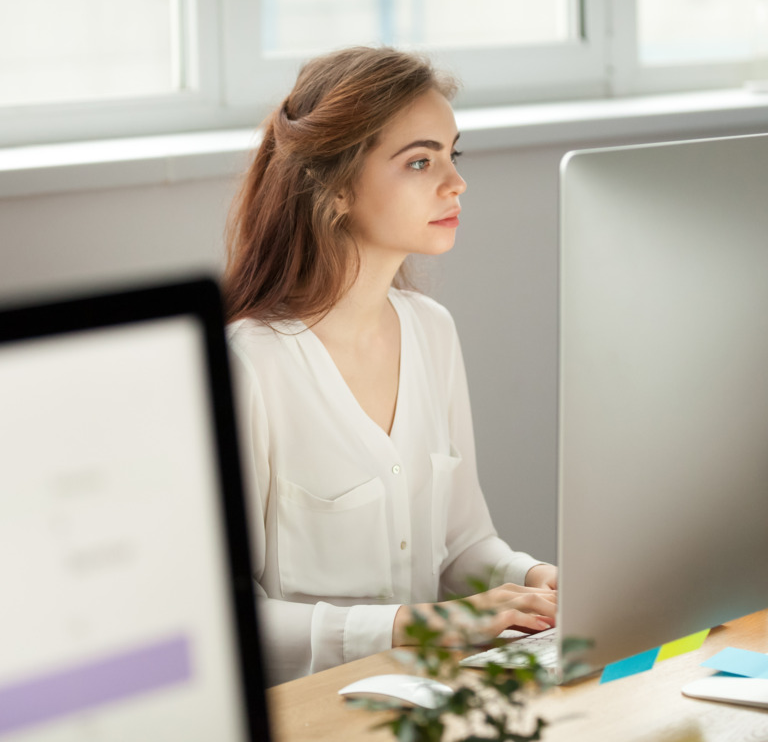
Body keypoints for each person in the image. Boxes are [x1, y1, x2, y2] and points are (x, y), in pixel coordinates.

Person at [223, 46, 557, 685]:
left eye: (453, 155)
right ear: (335, 187)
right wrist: (415, 626)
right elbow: (229, 622)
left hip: (428, 697)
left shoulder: (432, 331)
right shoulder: (250, 367)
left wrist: (529, 578)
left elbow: (462, 546)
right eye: (420, 161)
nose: (455, 182)